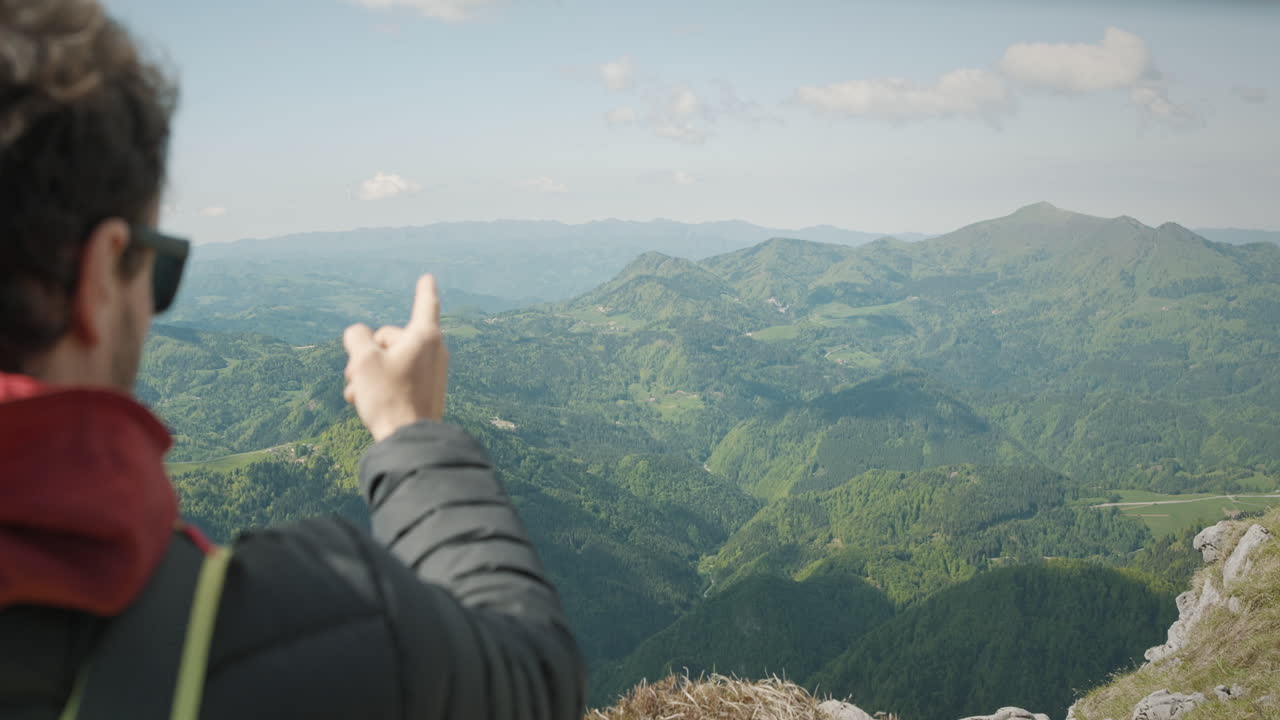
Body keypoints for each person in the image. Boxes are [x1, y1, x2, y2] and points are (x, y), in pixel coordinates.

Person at [0, 1, 586, 718]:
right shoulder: (321, 632)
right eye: (159, 270)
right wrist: (412, 435)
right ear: (100, 275)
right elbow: (533, 675)